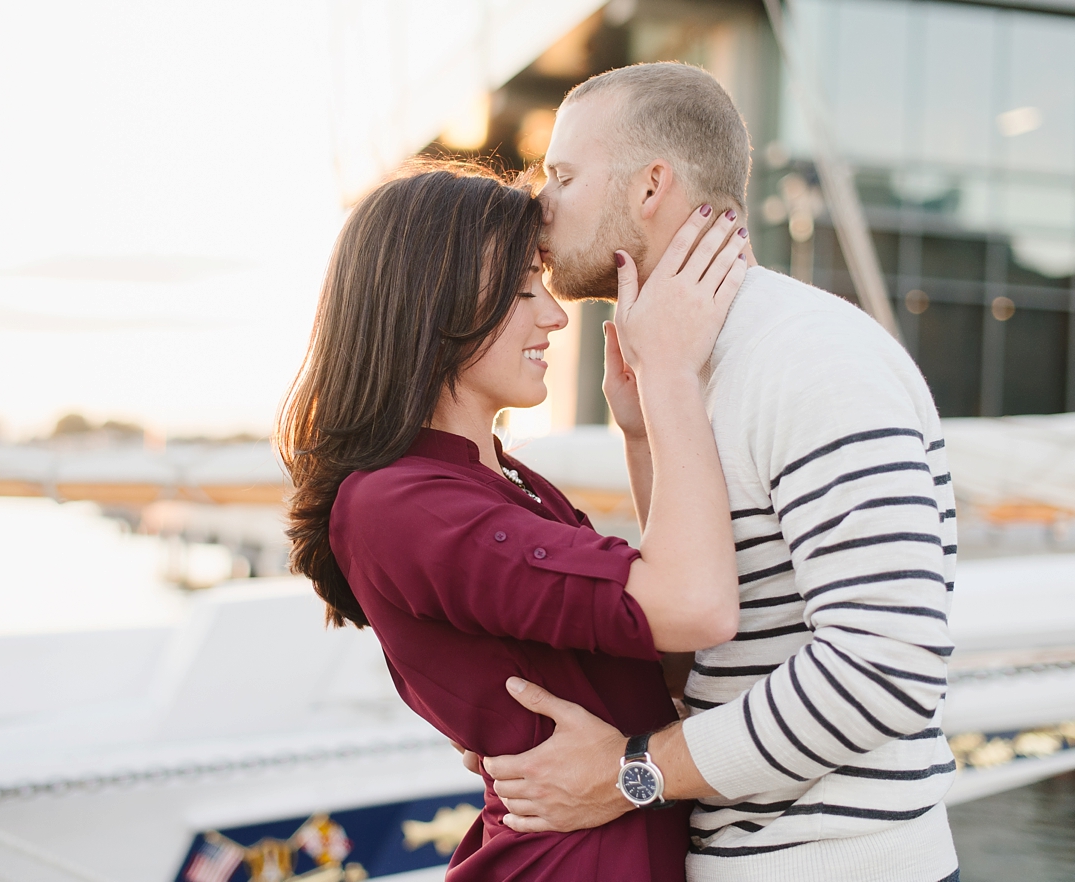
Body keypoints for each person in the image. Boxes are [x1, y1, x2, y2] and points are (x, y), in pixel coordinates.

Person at [477, 63, 960, 882]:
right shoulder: (689, 364)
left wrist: (629, 774)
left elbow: (885, 667)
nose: (539, 204)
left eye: (562, 175)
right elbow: (708, 635)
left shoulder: (808, 357)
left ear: (651, 186)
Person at [276, 162, 749, 881]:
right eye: (523, 288)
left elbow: (674, 659)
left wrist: (643, 437)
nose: (555, 315)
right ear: (432, 301)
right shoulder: (402, 504)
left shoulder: (503, 483)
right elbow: (700, 607)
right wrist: (669, 377)